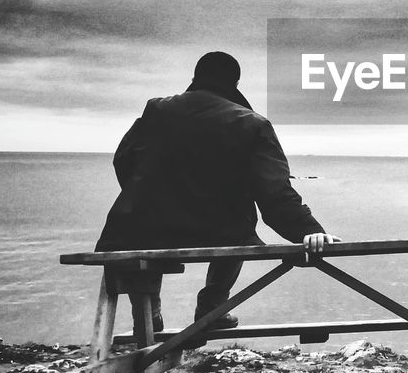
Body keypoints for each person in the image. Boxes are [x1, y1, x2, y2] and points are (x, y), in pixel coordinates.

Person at [95, 51, 338, 331]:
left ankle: (148, 313)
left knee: (141, 226)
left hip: (141, 230)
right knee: (241, 225)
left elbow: (123, 159)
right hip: (218, 232)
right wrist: (309, 230)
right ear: (235, 84)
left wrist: (144, 192)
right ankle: (212, 308)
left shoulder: (157, 110)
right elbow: (274, 192)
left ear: (194, 78)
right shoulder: (252, 123)